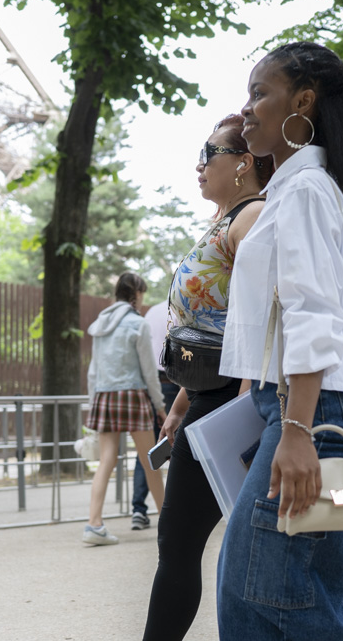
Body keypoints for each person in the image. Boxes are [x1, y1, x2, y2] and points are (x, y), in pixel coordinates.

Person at [216, 41, 343, 640]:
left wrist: (294, 430)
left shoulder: (304, 193)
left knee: (268, 596)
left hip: (317, 415)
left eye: (259, 93)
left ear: (303, 102)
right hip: (316, 409)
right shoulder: (300, 192)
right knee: (298, 597)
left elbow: (313, 315)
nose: (246, 109)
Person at [141, 114, 273, 641]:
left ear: (242, 163)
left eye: (209, 152)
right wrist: (179, 404)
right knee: (188, 541)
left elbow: (259, 322)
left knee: (184, 541)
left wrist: (244, 411)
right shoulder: (226, 218)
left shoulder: (252, 217)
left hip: (231, 399)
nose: (198, 164)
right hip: (206, 395)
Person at [83, 272, 166, 545]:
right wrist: (160, 405)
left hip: (105, 396)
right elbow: (149, 371)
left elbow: (93, 371)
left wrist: (93, 400)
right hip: (132, 395)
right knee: (150, 461)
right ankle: (168, 524)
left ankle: (94, 525)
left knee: (106, 460)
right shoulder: (137, 324)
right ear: (137, 294)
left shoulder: (99, 325)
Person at [132, 300, 180, 531]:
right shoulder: (183, 308)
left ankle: (138, 510)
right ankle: (176, 508)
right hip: (176, 382)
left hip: (151, 384)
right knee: (177, 445)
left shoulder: (152, 311)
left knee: (147, 450)